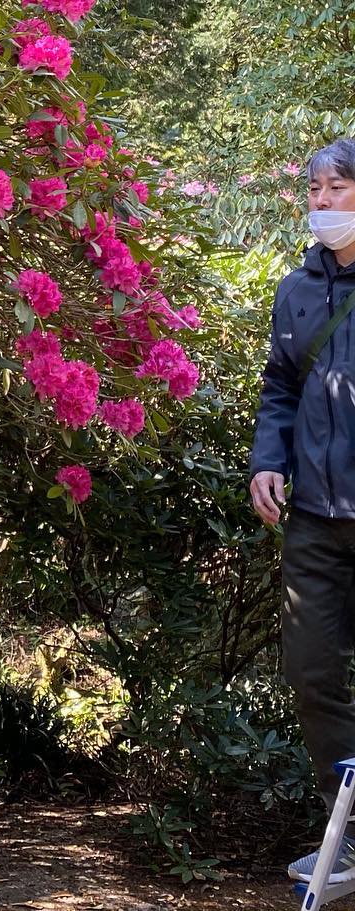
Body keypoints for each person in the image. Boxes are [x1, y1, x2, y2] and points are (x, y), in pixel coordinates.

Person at [251, 137, 355, 883]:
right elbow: (280, 385)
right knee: (312, 669)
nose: (321, 203)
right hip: (315, 519)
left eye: (337, 188)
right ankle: (345, 834)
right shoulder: (296, 291)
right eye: (313, 190)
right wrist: (267, 459)